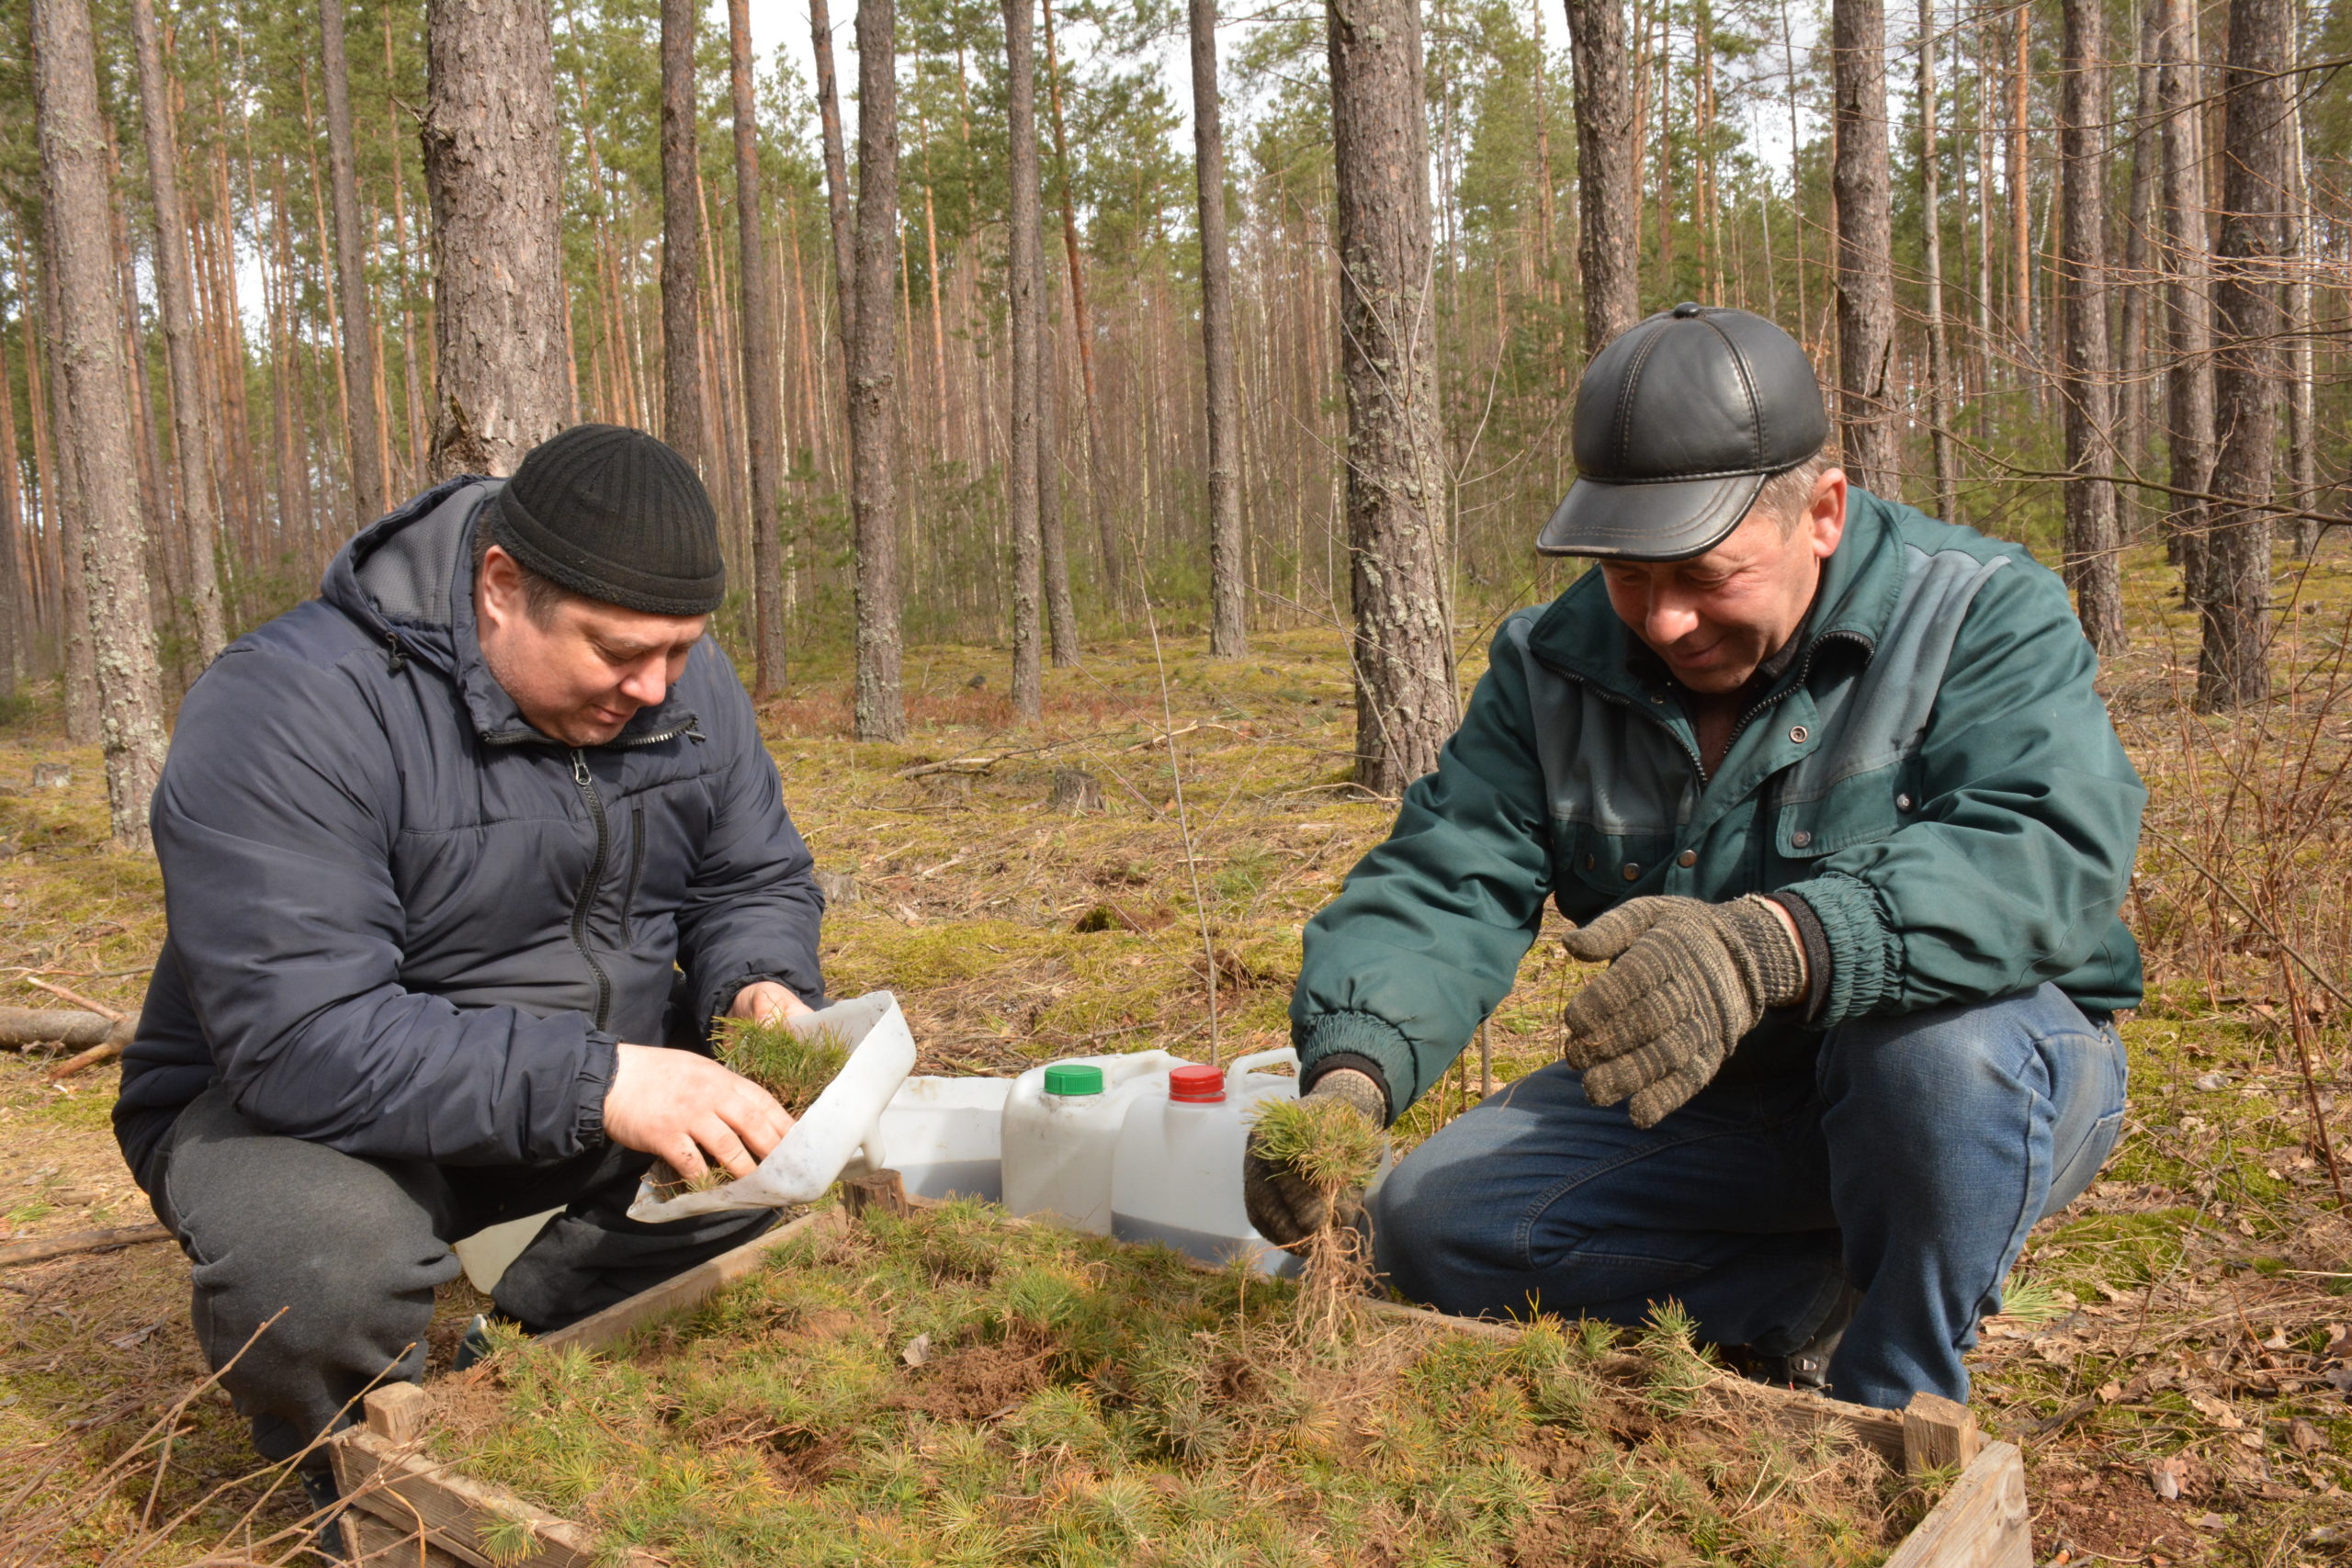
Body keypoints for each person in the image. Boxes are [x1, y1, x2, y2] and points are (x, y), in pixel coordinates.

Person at [1245, 305, 2142, 1410]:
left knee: (1928, 1063)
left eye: (1706, 574)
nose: (1664, 620)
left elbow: (2049, 846)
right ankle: (1800, 1300)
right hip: (1717, 1100)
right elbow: (1447, 876)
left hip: (1987, 1077)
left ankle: (1896, 1404)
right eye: (1629, 576)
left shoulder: (1976, 612)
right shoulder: (1552, 666)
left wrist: (1775, 943)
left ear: (1821, 512)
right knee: (1425, 1233)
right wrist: (1350, 1074)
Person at [113, 425, 825, 1495]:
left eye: (679, 650)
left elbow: (749, 880)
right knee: (314, 1267)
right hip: (303, 1111)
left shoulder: (678, 679)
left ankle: (539, 1337)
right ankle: (359, 1491)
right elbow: (304, 1040)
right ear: (500, 585)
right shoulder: (291, 707)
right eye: (617, 652)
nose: (655, 688)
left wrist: (755, 986)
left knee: (799, 1149)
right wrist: (607, 1083)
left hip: (588, 1080)